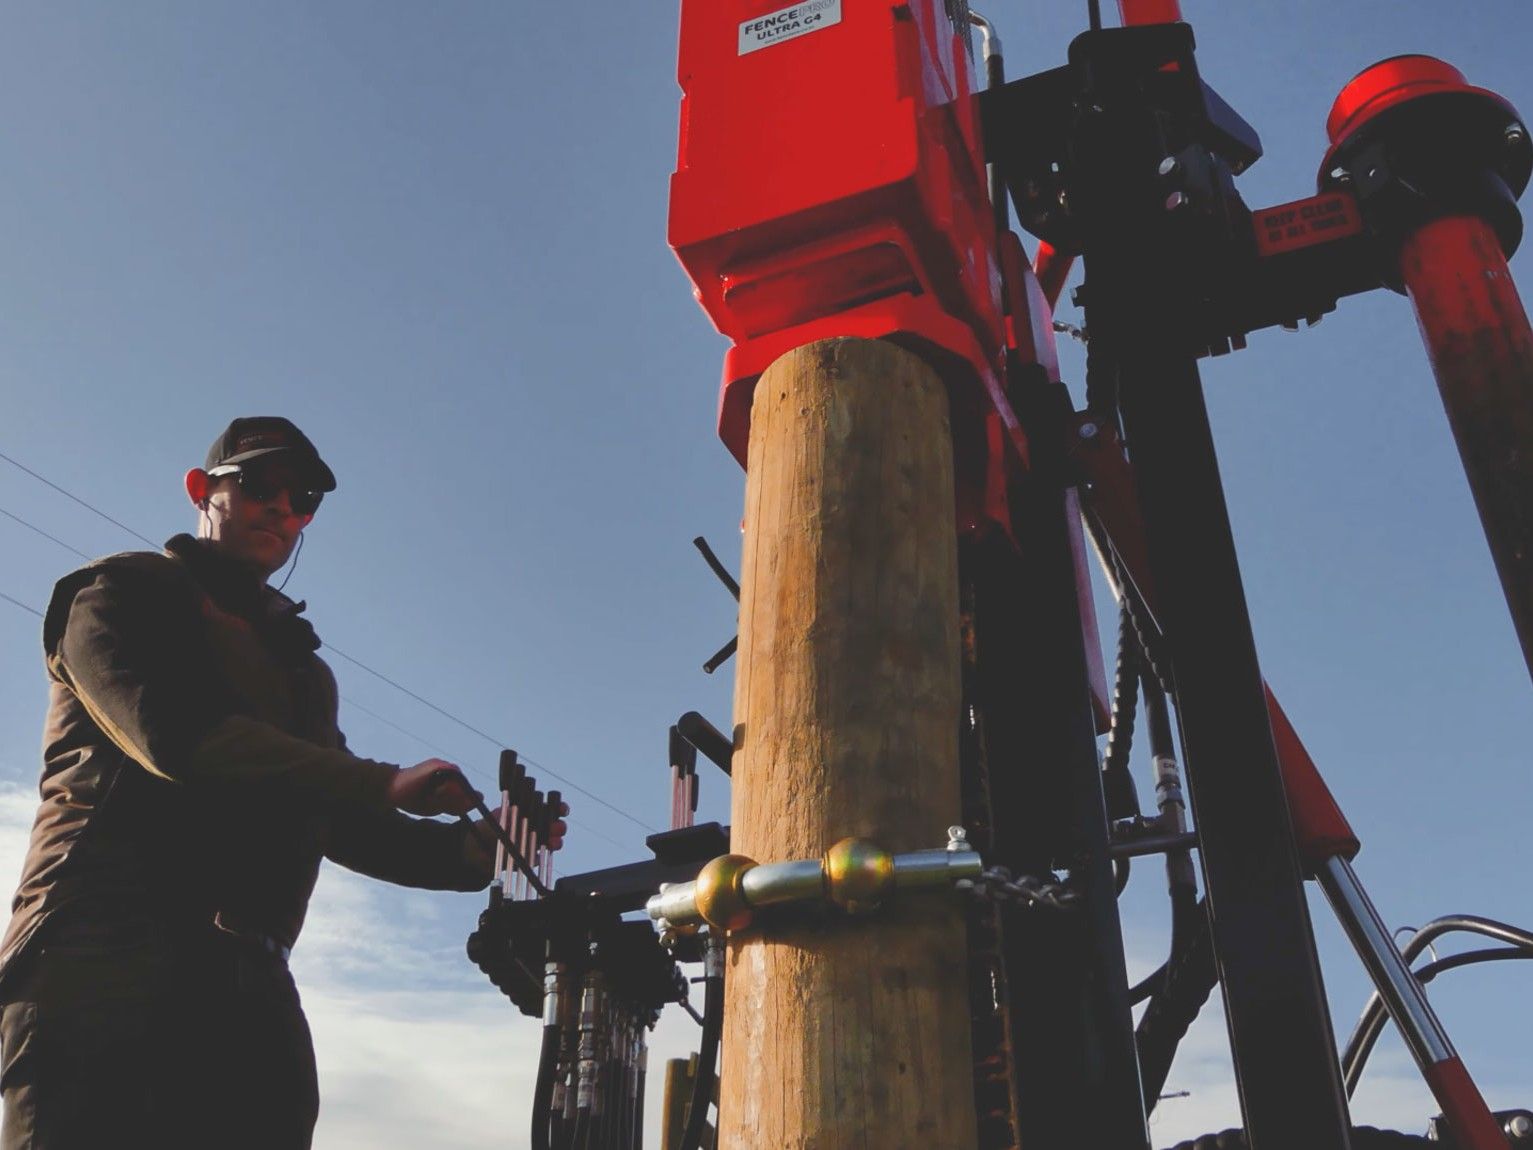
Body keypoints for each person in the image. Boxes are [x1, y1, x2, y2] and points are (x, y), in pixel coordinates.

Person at [0, 417, 495, 1149]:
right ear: (202, 491)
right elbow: (173, 738)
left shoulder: (301, 667)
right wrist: (382, 780)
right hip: (102, 958)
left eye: (303, 500)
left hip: (247, 982)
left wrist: (485, 850)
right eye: (260, 487)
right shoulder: (117, 594)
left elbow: (337, 815)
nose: (283, 509)